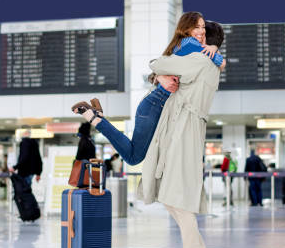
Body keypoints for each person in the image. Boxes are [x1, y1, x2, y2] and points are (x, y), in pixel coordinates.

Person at [71, 12, 225, 166]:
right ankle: (95, 118)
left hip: (157, 105)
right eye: (196, 27)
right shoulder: (191, 44)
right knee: (134, 157)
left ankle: (98, 118)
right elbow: (221, 63)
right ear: (186, 29)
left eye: (203, 27)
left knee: (144, 154)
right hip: (155, 106)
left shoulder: (183, 47)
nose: (201, 31)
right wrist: (213, 48)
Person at [136, 21, 225, 248]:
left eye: (201, 34)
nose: (196, 37)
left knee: (178, 198)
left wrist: (168, 60)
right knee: (169, 195)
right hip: (183, 128)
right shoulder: (206, 61)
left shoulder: (200, 59)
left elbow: (159, 64)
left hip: (184, 129)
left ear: (209, 41)